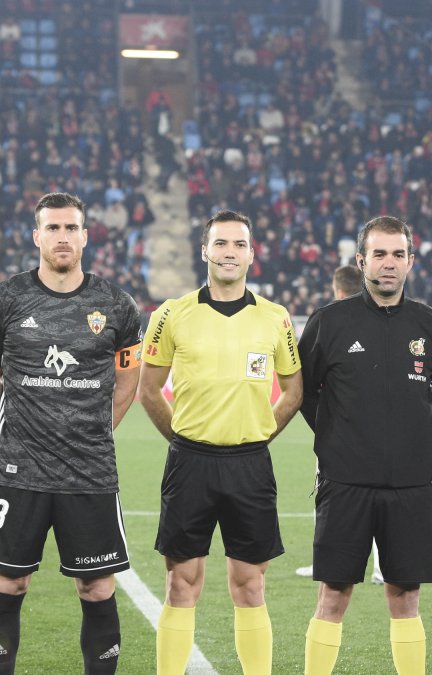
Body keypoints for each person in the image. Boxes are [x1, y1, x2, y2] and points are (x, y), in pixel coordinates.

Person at [0, 192, 143, 674]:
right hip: (18, 469)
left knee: (97, 586)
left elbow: (128, 376)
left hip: (90, 471)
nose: (62, 237)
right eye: (52, 228)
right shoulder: (3, 300)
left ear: (85, 236)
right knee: (9, 582)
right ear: (37, 236)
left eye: (70, 228)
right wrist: (18, 425)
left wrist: (96, 430)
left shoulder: (116, 304)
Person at [139, 209, 302, 675]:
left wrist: (261, 432)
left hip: (250, 464)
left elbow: (294, 390)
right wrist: (181, 439)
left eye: (239, 244)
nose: (230, 252)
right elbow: (149, 389)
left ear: (251, 254)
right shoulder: (171, 314)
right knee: (181, 582)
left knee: (250, 585)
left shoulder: (275, 318)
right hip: (190, 462)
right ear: (205, 250)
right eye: (221, 243)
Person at [299, 216, 432, 675]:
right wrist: (335, 433)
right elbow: (304, 391)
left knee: (406, 596)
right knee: (333, 594)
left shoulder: (431, 325)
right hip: (344, 483)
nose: (388, 263)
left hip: (410, 485)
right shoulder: (329, 322)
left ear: (410, 261)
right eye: (379, 254)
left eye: (397, 254)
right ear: (361, 261)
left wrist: (423, 431)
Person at [294, 264, 385, 585]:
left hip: (339, 436)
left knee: (331, 497)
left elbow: (304, 386)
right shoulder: (383, 322)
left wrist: (325, 425)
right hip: (380, 434)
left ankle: (326, 562)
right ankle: (381, 568)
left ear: (338, 290)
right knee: (382, 498)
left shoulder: (328, 321)